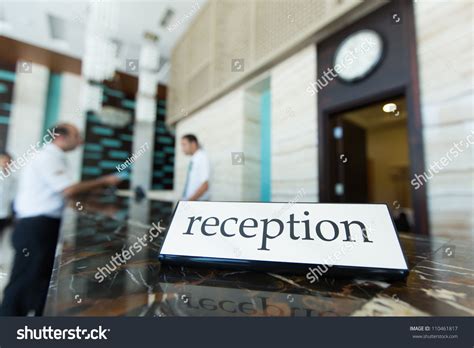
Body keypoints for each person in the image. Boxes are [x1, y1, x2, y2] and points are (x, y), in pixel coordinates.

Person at [0, 123, 121, 316]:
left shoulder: (56, 157)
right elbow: (68, 190)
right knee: (23, 282)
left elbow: (67, 193)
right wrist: (105, 181)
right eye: (77, 136)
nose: (80, 140)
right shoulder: (47, 157)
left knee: (40, 278)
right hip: (34, 227)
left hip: (43, 225)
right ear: (60, 137)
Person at [180, 134, 211, 201]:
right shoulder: (195, 158)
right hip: (192, 202)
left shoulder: (201, 157)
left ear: (193, 144)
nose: (182, 148)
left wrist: (189, 202)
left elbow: (205, 185)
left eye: (184, 144)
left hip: (197, 204)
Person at [0, 152, 16, 242]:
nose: (7, 164)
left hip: (5, 214)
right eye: (4, 161)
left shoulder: (12, 178)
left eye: (9, 162)